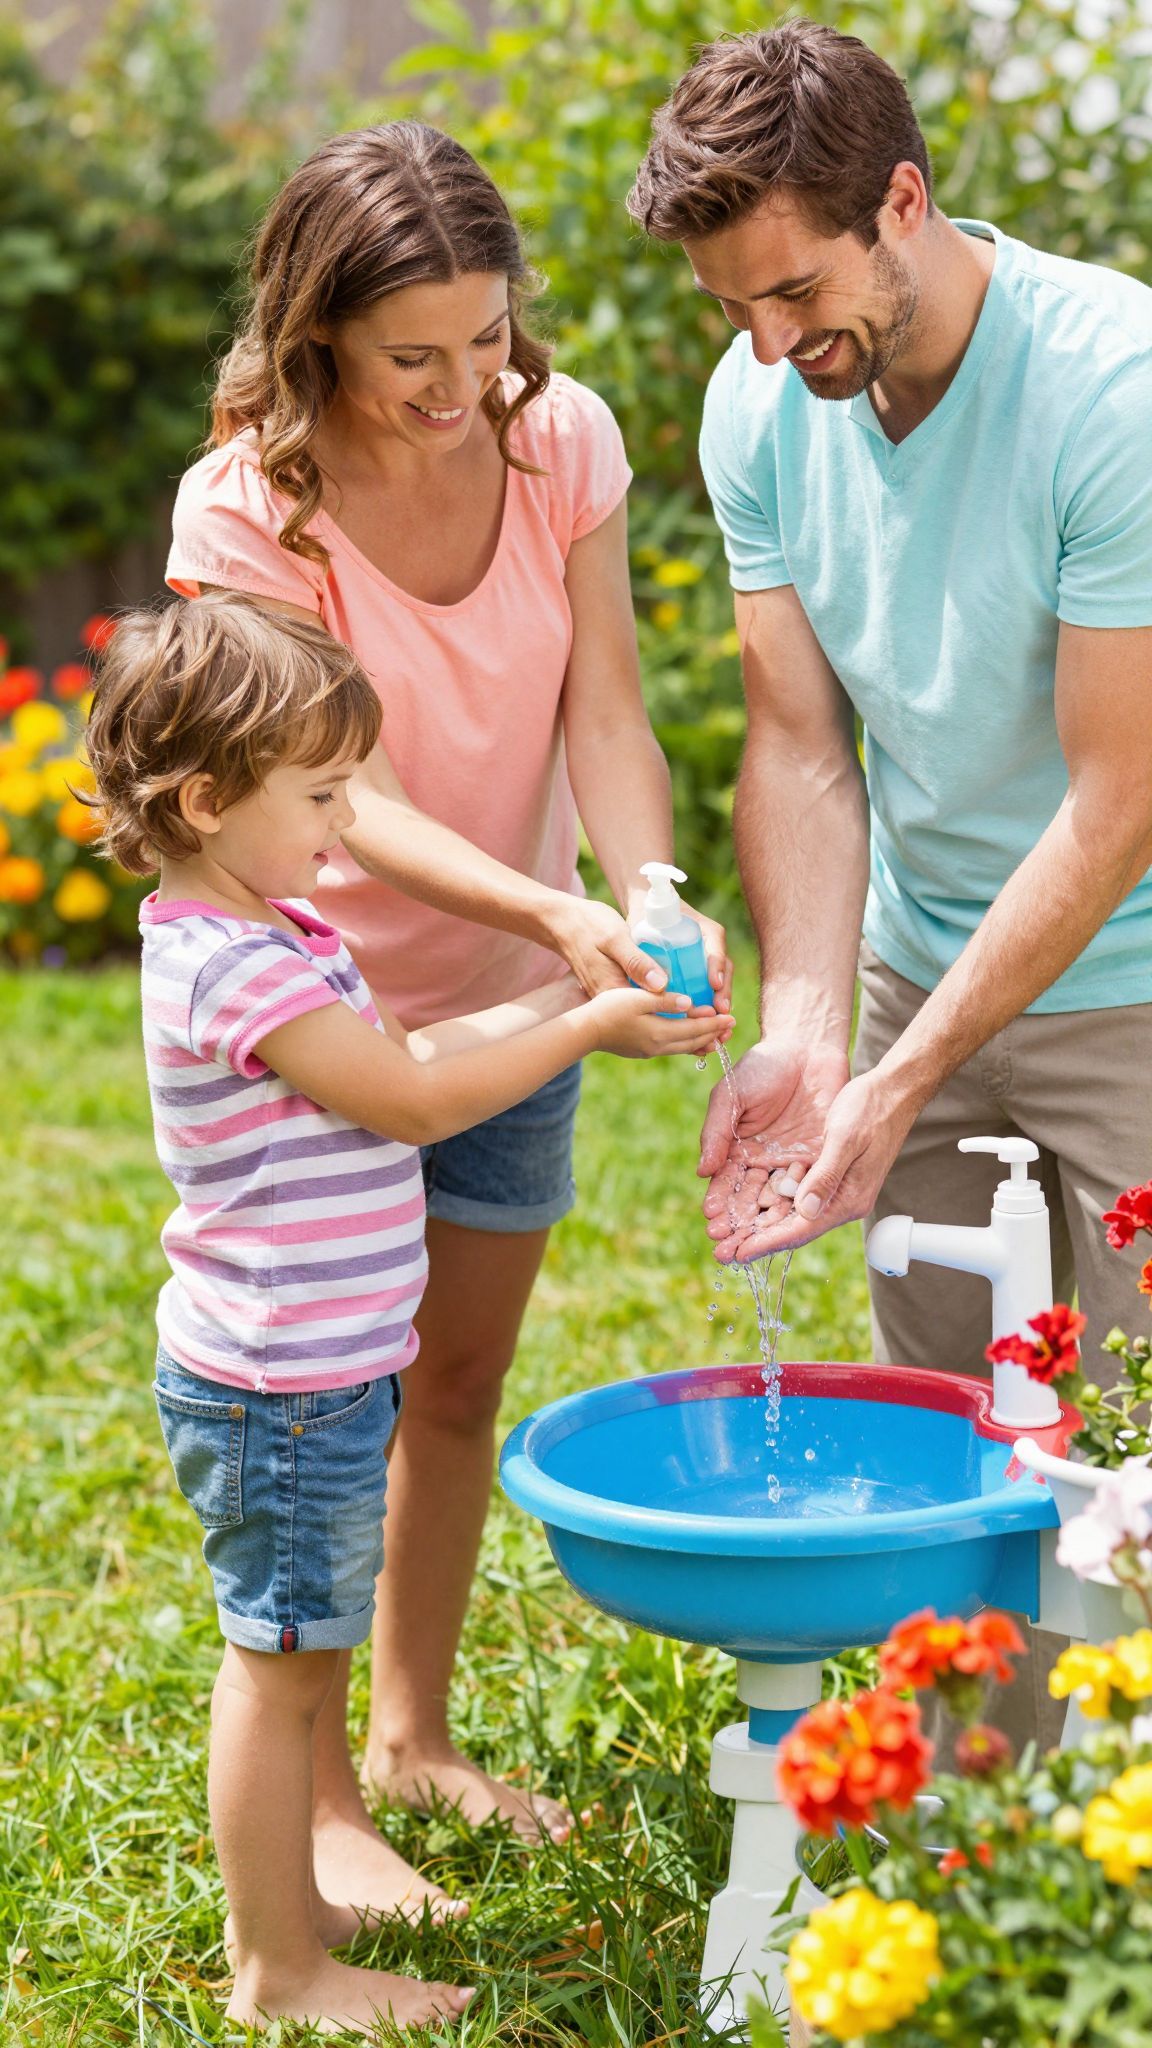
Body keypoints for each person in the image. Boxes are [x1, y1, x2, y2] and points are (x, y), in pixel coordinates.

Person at [165, 119, 732, 1912]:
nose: (461, 386)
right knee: (333, 1395)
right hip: (325, 1022)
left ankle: (412, 1734)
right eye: (417, 354)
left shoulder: (558, 441)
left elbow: (608, 714)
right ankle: (319, 1795)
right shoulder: (250, 504)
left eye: (487, 340)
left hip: (515, 997)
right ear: (318, 329)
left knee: (459, 1383)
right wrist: (557, 917)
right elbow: (358, 792)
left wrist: (635, 892)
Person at [83, 594, 725, 2035]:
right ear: (203, 799)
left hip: (318, 1376)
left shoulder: (280, 922)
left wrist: (570, 984)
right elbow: (415, 1100)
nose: (342, 823)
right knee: (283, 1667)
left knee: (296, 1655)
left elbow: (419, 1045)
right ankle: (279, 1970)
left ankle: (291, 1918)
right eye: (319, 797)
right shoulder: (227, 963)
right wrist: (582, 1029)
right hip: (277, 1388)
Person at [629, 19, 1152, 1744]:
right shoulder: (759, 409)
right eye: (734, 310)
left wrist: (902, 1073)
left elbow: (1116, 796)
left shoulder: (1113, 388)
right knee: (954, 1451)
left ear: (904, 200)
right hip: (924, 963)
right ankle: (994, 1861)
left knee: (1135, 1453)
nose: (770, 348)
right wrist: (810, 1035)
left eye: (793, 294)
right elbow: (797, 745)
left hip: (1134, 977)